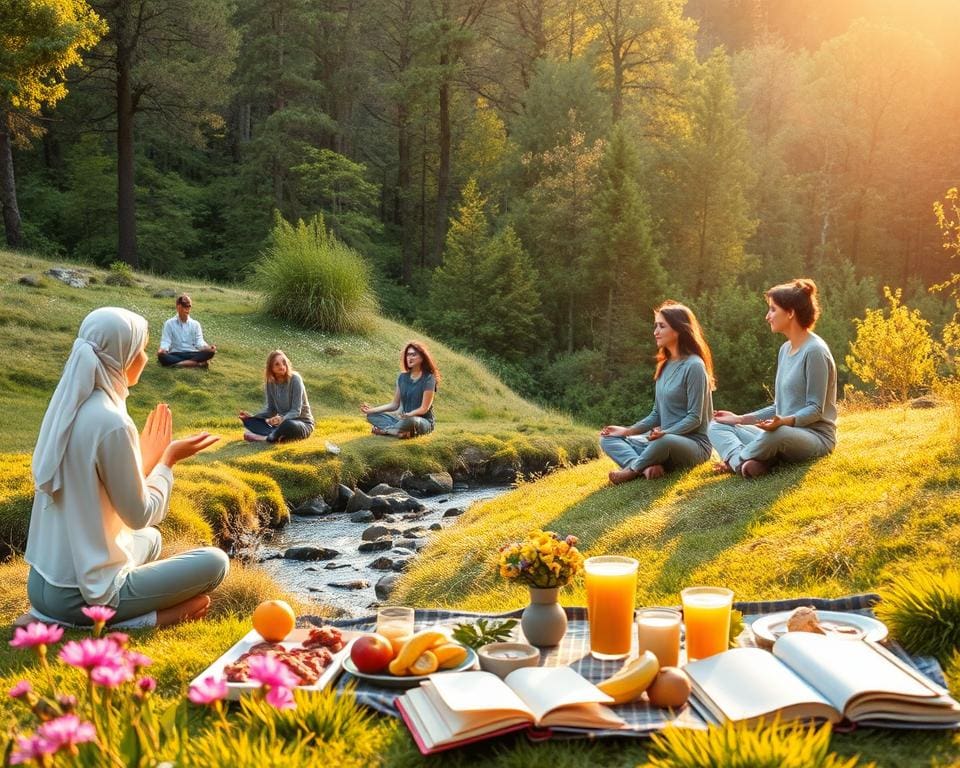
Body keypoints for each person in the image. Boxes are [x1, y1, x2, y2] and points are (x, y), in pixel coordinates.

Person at [25, 307, 228, 628]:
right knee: (216, 562)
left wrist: (143, 460)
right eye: (141, 350)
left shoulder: (69, 407)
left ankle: (49, 613)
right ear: (122, 356)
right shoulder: (111, 422)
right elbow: (140, 514)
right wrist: (167, 461)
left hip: (40, 586)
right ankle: (137, 620)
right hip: (81, 598)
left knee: (151, 540)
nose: (146, 358)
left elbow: (104, 495)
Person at [708, 278, 837, 479]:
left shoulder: (815, 351)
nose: (767, 316)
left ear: (790, 312)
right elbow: (779, 406)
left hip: (814, 437)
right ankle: (755, 461)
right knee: (717, 425)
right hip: (779, 433)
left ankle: (736, 461)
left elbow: (815, 409)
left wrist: (783, 422)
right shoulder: (785, 349)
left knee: (778, 434)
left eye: (773, 309)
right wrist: (740, 419)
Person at [600, 301, 715, 484]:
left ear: (678, 330)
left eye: (662, 326)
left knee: (663, 442)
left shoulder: (694, 366)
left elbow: (695, 418)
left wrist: (665, 433)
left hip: (694, 445)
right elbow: (656, 414)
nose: (655, 332)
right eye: (656, 326)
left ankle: (632, 470)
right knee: (608, 439)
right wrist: (627, 431)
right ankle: (647, 466)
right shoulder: (665, 365)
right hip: (662, 439)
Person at [361, 341, 440, 439]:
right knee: (372, 416)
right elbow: (394, 405)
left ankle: (386, 431)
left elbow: (424, 409)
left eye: (413, 355)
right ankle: (400, 432)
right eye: (407, 355)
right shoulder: (402, 377)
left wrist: (409, 415)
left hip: (422, 422)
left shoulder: (429, 378)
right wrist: (371, 410)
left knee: (412, 421)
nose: (409, 358)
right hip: (403, 420)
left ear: (422, 357)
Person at [239, 350, 315, 443]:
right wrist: (253, 417)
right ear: (271, 368)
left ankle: (266, 438)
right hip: (279, 425)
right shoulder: (270, 383)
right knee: (252, 422)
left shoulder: (295, 379)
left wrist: (282, 419)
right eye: (277, 364)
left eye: (284, 363)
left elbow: (296, 411)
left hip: (301, 424)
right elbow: (271, 410)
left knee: (288, 424)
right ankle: (275, 435)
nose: (282, 366)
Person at [157, 293, 217, 367]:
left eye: (189, 306)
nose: (187, 308)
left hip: (192, 353)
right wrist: (162, 350)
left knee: (211, 352)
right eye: (185, 306)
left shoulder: (196, 324)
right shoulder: (169, 323)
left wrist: (208, 348)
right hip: (176, 353)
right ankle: (197, 364)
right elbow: (166, 341)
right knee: (162, 356)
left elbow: (199, 342)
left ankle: (178, 364)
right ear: (178, 307)